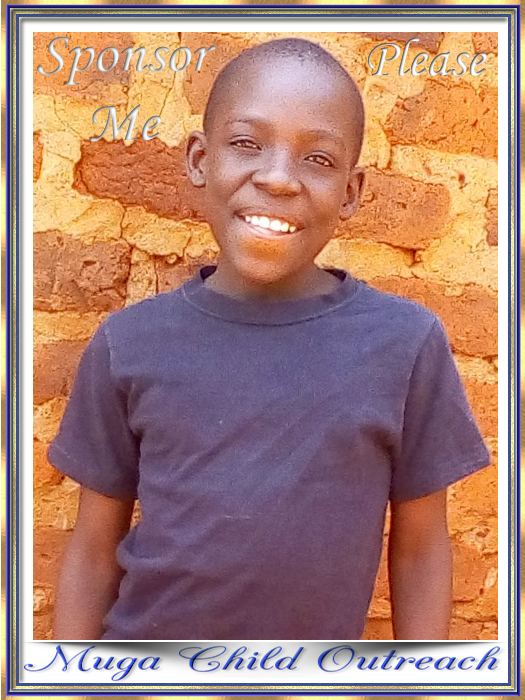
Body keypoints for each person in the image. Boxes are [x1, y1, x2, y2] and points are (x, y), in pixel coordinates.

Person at [49, 38, 491, 641]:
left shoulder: (404, 344)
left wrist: (423, 678)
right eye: (246, 144)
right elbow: (94, 549)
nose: (278, 178)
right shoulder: (129, 343)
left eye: (318, 158)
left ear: (352, 191)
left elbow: (419, 550)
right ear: (200, 160)